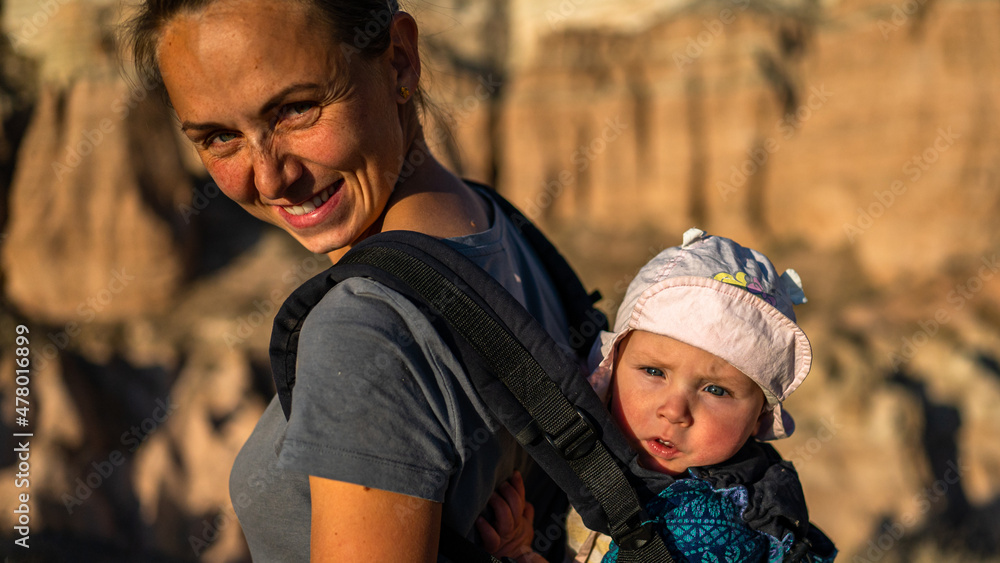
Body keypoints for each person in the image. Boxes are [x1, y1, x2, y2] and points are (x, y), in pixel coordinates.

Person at [123, 0, 574, 560]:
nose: (269, 177)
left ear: (400, 61)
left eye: (295, 109)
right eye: (218, 137)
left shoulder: (366, 329)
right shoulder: (494, 224)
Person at [479, 229, 838, 562]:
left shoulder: (710, 529)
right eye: (654, 372)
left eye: (716, 390)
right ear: (613, 365)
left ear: (759, 417)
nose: (674, 410)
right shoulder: (606, 456)